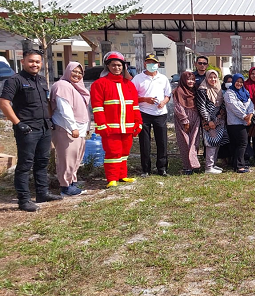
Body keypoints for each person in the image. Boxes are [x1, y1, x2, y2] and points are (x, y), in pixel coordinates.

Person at [0, 49, 59, 211]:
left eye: (38, 62)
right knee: (25, 164)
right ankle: (24, 200)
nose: (35, 64)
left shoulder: (41, 80)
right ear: (23, 62)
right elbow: (4, 103)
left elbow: (46, 102)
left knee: (42, 162)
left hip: (44, 127)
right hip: (27, 129)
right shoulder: (14, 80)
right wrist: (18, 123)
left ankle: (42, 193)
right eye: (31, 61)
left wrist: (49, 118)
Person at [90, 51, 143, 188]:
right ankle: (112, 178)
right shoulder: (100, 84)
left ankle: (122, 175)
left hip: (127, 126)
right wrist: (102, 125)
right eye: (113, 65)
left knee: (125, 152)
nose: (117, 68)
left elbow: (135, 106)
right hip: (110, 127)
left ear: (123, 67)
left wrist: (139, 122)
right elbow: (97, 108)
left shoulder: (129, 84)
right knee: (113, 153)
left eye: (119, 65)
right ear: (108, 66)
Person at [50, 61, 90, 197]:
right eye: (74, 71)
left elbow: (82, 110)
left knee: (75, 158)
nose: (77, 75)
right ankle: (65, 187)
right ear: (67, 71)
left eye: (80, 72)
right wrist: (73, 127)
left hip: (78, 130)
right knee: (66, 158)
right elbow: (64, 109)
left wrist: (85, 128)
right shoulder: (62, 86)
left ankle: (72, 182)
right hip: (65, 128)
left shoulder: (76, 87)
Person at [132, 53, 171, 177]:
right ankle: (146, 169)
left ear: (158, 65)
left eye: (153, 63)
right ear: (145, 64)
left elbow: (168, 95)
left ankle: (162, 168)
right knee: (144, 142)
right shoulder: (138, 78)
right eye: (149, 63)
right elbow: (132, 97)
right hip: (144, 113)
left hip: (160, 113)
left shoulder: (163, 78)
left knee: (162, 141)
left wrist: (163, 102)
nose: (151, 65)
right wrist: (144, 99)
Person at [196, 70, 229, 174]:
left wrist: (219, 117)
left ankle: (213, 164)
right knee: (210, 142)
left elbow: (222, 104)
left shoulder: (218, 89)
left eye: (215, 77)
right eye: (210, 77)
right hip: (208, 120)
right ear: (206, 78)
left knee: (217, 141)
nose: (213, 79)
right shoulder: (202, 89)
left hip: (219, 119)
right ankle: (208, 167)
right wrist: (208, 120)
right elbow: (201, 107)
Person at [225, 73, 255, 172]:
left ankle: (235, 164)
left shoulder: (245, 92)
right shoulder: (229, 93)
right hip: (234, 123)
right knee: (243, 143)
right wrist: (244, 116)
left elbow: (250, 104)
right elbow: (233, 107)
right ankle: (239, 165)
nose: (239, 84)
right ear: (233, 82)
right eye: (237, 81)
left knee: (238, 144)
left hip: (245, 122)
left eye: (241, 82)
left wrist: (250, 115)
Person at [172, 72, 201, 175]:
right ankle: (187, 166)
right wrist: (185, 120)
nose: (191, 81)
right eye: (188, 79)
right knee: (185, 142)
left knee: (194, 142)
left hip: (196, 119)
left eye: (193, 79)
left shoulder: (195, 91)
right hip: (182, 121)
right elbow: (177, 107)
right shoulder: (177, 91)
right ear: (184, 80)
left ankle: (193, 164)